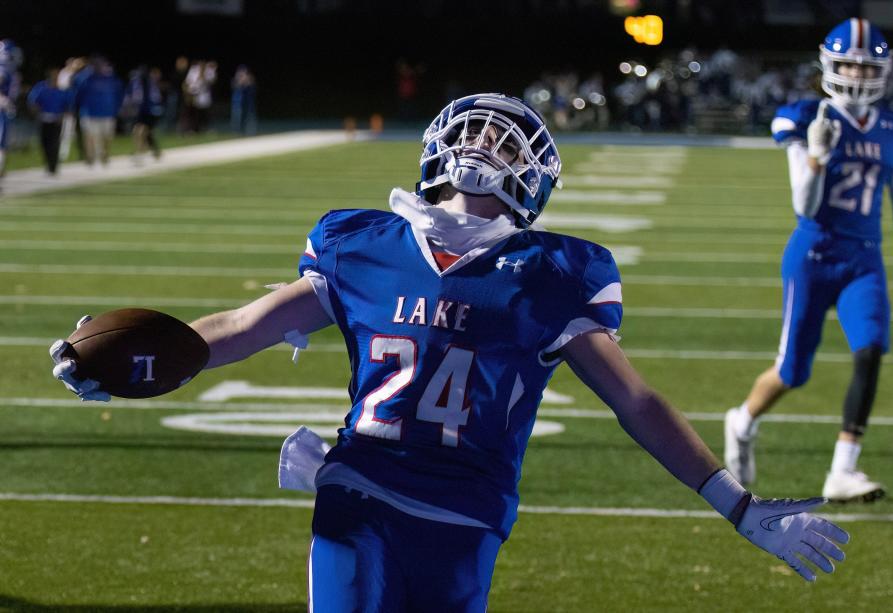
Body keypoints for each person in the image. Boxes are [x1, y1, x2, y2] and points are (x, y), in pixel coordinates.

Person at [50, 93, 850, 611]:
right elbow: (239, 327)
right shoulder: (364, 244)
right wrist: (122, 365)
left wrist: (735, 503)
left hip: (464, 515)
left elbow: (634, 400)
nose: (489, 150)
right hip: (360, 488)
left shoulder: (551, 273)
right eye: (478, 135)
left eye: (507, 143)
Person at [724, 19, 893, 503]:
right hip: (813, 255)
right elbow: (804, 203)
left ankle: (843, 469)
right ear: (830, 65)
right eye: (848, 66)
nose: (857, 76)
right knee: (793, 371)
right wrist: (816, 157)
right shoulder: (805, 117)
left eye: (866, 67)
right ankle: (743, 420)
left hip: (865, 258)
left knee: (871, 349)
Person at [75, 56, 124, 167]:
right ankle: (90, 157)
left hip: (107, 113)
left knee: (107, 136)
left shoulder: (111, 79)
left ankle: (104, 155)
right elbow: (77, 94)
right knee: (90, 136)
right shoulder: (85, 79)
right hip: (89, 113)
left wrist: (118, 108)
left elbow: (119, 94)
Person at [27, 68, 74, 174]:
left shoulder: (61, 90)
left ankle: (53, 166)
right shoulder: (41, 88)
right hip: (44, 119)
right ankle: (48, 163)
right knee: (44, 143)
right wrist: (35, 112)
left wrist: (63, 116)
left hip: (56, 120)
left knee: (54, 143)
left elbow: (67, 105)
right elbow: (32, 101)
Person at [125, 66, 165, 164]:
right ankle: (153, 151)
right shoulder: (139, 83)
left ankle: (139, 153)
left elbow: (156, 98)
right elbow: (131, 97)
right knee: (145, 133)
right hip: (142, 112)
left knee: (140, 132)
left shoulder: (149, 84)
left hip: (149, 112)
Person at [0, 38, 22, 191]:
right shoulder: (4, 70)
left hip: (4, 112)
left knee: (3, 147)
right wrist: (3, 101)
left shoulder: (9, 71)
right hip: (1, 112)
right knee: (1, 147)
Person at [230, 64, 256, 135]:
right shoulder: (235, 80)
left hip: (248, 103)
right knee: (237, 118)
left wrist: (247, 80)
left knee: (248, 118)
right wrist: (240, 80)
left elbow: (251, 88)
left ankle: (249, 132)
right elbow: (235, 86)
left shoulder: (250, 79)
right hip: (237, 103)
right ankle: (237, 132)